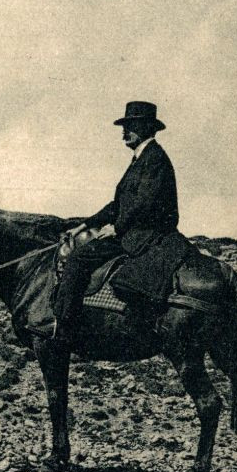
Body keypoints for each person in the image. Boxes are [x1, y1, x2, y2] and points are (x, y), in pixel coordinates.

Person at [53, 101, 190, 342]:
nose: (125, 132)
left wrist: (116, 227)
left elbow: (145, 202)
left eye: (132, 126)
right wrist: (84, 225)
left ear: (148, 128)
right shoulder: (142, 158)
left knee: (78, 258)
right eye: (125, 126)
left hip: (146, 235)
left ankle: (65, 329)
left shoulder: (155, 158)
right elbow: (117, 205)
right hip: (136, 230)